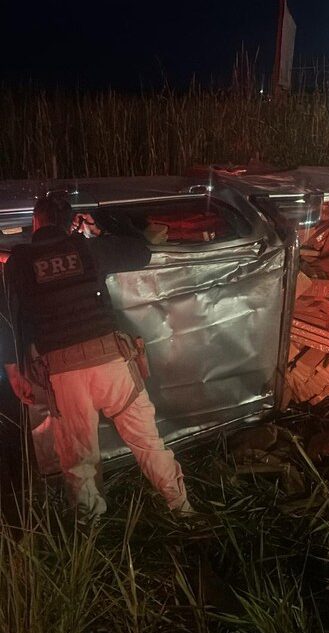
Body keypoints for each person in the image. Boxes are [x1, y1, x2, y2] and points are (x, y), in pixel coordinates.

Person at [3, 192, 192, 524]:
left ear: (35, 222)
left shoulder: (17, 262)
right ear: (69, 222)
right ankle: (183, 511)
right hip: (112, 365)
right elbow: (140, 251)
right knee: (149, 444)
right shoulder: (87, 250)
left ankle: (91, 531)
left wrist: (15, 371)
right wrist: (102, 228)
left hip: (65, 376)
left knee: (79, 461)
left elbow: (7, 317)